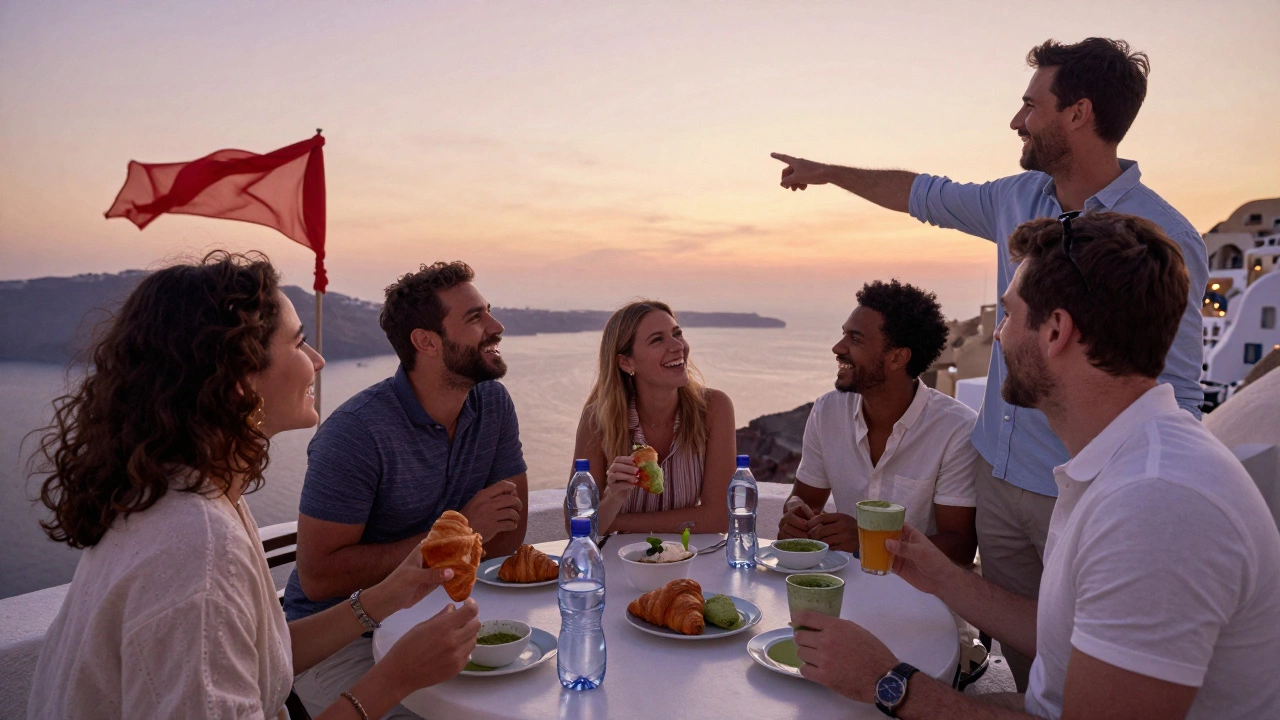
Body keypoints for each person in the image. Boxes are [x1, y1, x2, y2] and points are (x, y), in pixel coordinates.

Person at [772, 37, 1210, 689]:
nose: (1016, 120)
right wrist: (831, 172)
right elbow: (923, 193)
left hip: (1081, 492)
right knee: (1033, 663)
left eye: (1030, 104)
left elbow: (1174, 391)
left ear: (1078, 114)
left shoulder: (1162, 238)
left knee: (1082, 666)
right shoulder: (1017, 199)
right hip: (998, 481)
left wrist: (1144, 498)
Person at [790, 214, 1280, 719]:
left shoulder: (1155, 504)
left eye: (1009, 315)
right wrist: (942, 577)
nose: (998, 336)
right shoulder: (1123, 461)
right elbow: (1063, 633)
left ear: (1055, 331)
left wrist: (888, 682)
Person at [27, 252, 480, 720]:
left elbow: (264, 657)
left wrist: (387, 596)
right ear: (240, 381)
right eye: (300, 343)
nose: (318, 361)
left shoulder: (188, 494)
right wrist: (394, 678)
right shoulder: (197, 549)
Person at [285, 260, 527, 718]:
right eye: (475, 318)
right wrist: (453, 537)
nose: (496, 327)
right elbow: (317, 577)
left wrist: (465, 543)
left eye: (487, 312)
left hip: (442, 616)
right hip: (337, 640)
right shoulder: (356, 434)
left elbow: (509, 534)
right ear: (426, 341)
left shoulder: (492, 403)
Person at [777, 280, 979, 566]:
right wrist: (795, 515)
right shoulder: (827, 412)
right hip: (846, 582)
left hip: (921, 596)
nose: (838, 347)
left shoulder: (956, 429)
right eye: (843, 335)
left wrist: (868, 539)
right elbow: (803, 500)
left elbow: (960, 546)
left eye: (855, 339)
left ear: (897, 357)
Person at [571, 300, 735, 536]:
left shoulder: (713, 409)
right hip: (624, 564)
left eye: (677, 334)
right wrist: (614, 498)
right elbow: (576, 523)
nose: (677, 346)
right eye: (657, 340)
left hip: (691, 562)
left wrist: (615, 521)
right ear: (626, 362)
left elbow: (719, 518)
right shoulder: (598, 420)